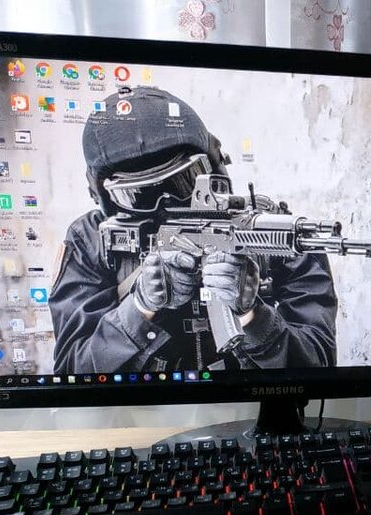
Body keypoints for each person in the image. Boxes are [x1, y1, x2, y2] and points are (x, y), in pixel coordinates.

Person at [50, 86, 337, 373]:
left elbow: (319, 364)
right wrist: (140, 308)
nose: (166, 204)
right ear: (106, 199)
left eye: (184, 181)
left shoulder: (274, 233)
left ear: (213, 166)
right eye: (139, 195)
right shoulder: (89, 241)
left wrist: (253, 317)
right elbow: (71, 370)